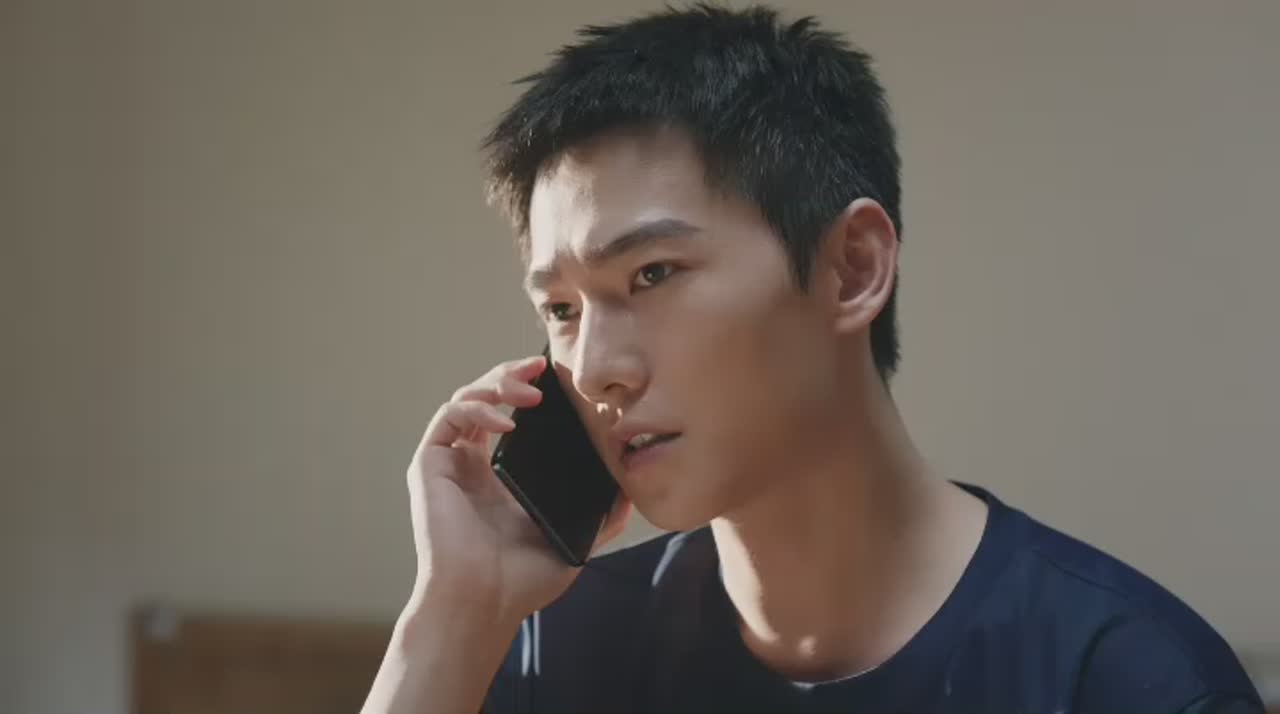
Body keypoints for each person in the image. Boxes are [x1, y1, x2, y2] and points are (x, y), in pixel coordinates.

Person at [361, 5, 1263, 713]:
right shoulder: (561, 645)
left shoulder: (1126, 677)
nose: (594, 369)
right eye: (560, 309)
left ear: (852, 268)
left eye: (652, 273)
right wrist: (453, 615)